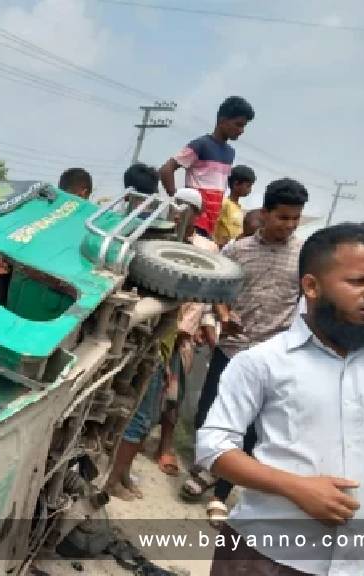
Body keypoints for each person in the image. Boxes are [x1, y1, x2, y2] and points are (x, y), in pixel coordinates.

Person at [197, 223, 364, 576]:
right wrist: (297, 488)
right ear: (311, 286)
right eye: (358, 282)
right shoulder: (262, 362)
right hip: (261, 557)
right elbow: (213, 446)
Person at [185, 178, 309, 526]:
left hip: (274, 355)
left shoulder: (304, 257)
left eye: (295, 219)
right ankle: (206, 466)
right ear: (265, 213)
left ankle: (220, 494)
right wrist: (224, 316)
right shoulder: (237, 251)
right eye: (283, 217)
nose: (289, 225)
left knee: (253, 427)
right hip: (232, 349)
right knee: (210, 411)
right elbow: (216, 290)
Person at [105, 188, 217, 499]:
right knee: (138, 415)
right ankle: (113, 479)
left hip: (164, 345)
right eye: (177, 207)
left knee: (148, 412)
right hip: (145, 344)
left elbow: (198, 304)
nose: (180, 214)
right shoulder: (151, 247)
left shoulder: (197, 250)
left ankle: (121, 474)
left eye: (187, 210)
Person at [160, 96, 255, 237]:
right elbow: (166, 169)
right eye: (238, 124)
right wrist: (178, 202)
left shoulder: (230, 152)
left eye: (244, 126)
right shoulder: (201, 145)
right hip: (194, 220)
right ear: (222, 121)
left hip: (211, 221)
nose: (241, 130)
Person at [213, 165, 256, 247]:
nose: (250, 190)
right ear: (236, 184)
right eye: (248, 186)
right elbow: (214, 224)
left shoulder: (239, 208)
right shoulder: (224, 203)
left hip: (232, 247)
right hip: (220, 247)